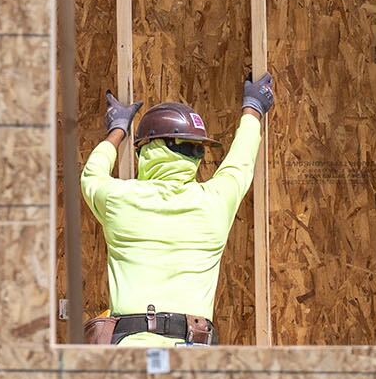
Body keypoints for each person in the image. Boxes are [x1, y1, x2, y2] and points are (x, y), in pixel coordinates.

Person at [78, 73, 273, 345]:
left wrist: (118, 129)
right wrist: (253, 107)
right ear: (198, 154)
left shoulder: (118, 199)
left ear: (145, 151)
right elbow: (240, 162)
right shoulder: (215, 201)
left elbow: (91, 174)